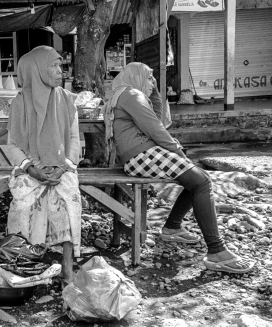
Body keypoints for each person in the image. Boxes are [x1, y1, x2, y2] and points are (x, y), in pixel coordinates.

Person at [104, 62, 255, 274]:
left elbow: (155, 117)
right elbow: (157, 130)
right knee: (201, 181)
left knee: (197, 180)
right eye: (148, 78)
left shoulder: (127, 94)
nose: (153, 82)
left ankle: (173, 227)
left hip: (141, 155)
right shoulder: (131, 95)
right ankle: (216, 252)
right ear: (136, 77)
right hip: (142, 156)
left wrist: (154, 91)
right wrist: (180, 154)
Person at [6, 46, 82, 284]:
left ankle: (67, 267)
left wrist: (64, 166)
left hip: (61, 168)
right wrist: (31, 168)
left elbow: (74, 140)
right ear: (36, 70)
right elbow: (12, 145)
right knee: (23, 206)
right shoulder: (19, 103)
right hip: (31, 168)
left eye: (60, 65)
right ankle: (27, 262)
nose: (61, 71)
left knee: (69, 201)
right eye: (54, 66)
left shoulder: (68, 101)